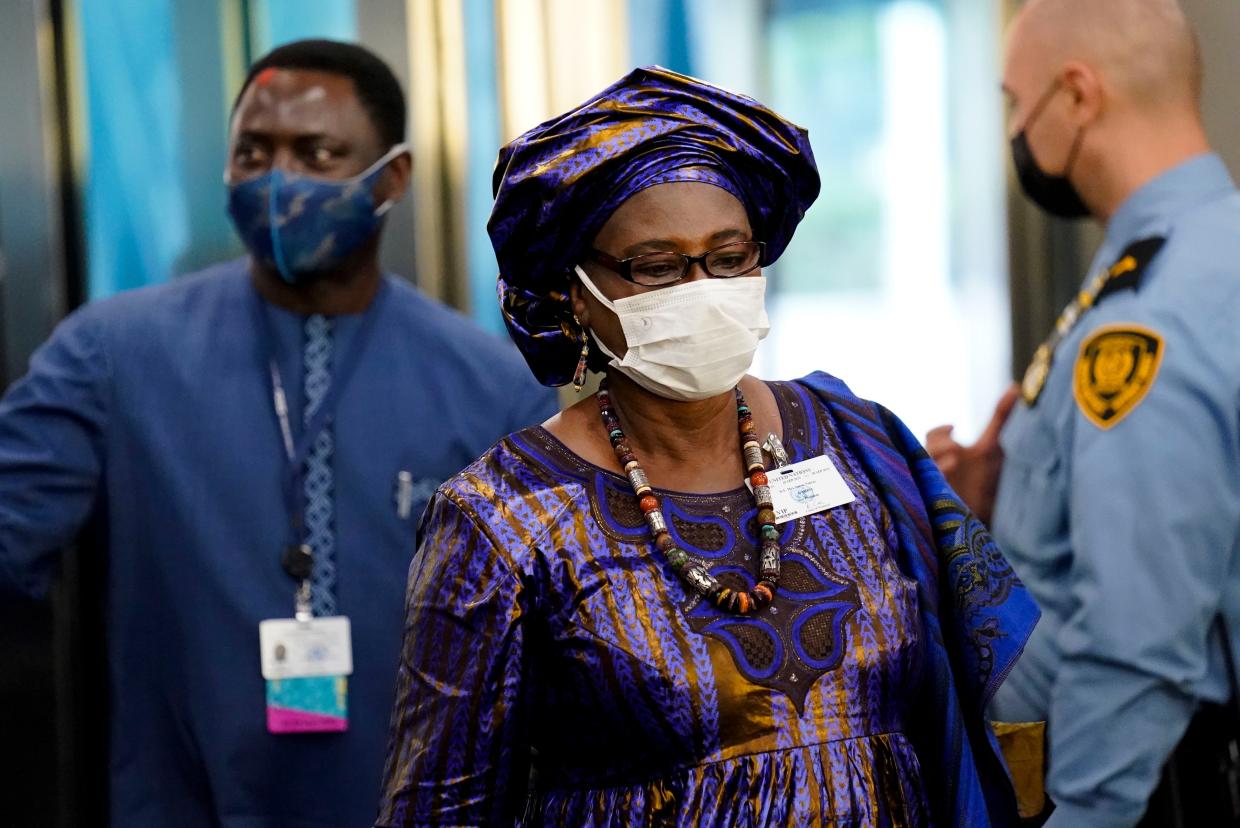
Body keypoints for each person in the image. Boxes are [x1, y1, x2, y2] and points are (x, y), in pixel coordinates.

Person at [376, 66, 1038, 827]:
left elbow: (971, 686)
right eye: (657, 267)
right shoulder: (502, 518)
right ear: (574, 293)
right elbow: (437, 807)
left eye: (729, 258)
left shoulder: (855, 440)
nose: (702, 288)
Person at [0, 39, 555, 827]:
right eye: (252, 152)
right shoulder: (113, 354)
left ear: (391, 178)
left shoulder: (493, 388)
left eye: (318, 153)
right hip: (181, 803)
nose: (277, 180)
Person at [926, 0, 1240, 824]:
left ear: (1076, 96)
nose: (1017, 130)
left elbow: (1138, 641)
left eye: (1014, 102)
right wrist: (1007, 500)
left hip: (1160, 787)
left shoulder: (1149, 318)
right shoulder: (1204, 254)